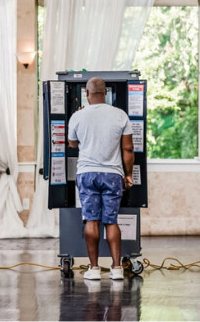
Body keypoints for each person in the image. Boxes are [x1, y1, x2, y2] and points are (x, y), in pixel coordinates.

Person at [68, 77, 134, 281]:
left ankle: (94, 268)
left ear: (87, 94)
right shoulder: (120, 115)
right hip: (113, 174)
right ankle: (116, 268)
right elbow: (128, 148)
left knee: (91, 219)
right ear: (105, 92)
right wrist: (129, 174)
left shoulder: (77, 116)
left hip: (87, 173)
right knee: (111, 221)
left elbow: (71, 144)